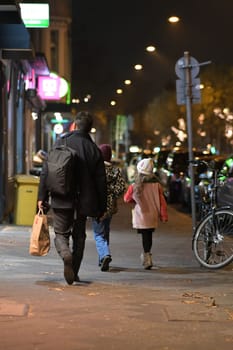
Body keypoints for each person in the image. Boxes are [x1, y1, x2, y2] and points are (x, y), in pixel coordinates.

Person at [37, 111, 107, 285]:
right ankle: (74, 271)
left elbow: (47, 170)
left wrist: (42, 196)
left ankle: (65, 254)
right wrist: (102, 207)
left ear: (75, 125)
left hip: (61, 198)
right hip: (83, 202)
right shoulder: (94, 150)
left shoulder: (61, 142)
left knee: (60, 233)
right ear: (90, 129)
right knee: (80, 237)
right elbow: (101, 182)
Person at [124, 158, 168, 269]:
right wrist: (164, 215)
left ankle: (147, 257)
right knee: (148, 235)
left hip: (141, 215)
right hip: (152, 215)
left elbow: (127, 199)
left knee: (145, 235)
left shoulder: (135, 185)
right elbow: (162, 202)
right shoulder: (157, 186)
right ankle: (147, 255)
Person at [92, 144, 126, 271]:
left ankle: (105, 254)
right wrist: (111, 192)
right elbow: (121, 188)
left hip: (97, 206)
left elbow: (90, 187)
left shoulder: (95, 170)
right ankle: (102, 258)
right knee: (105, 231)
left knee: (98, 233)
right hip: (110, 206)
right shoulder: (115, 170)